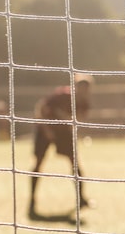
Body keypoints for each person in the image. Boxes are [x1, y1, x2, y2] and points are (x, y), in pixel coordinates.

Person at [28, 74, 93, 218]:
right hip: (45, 129)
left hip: (62, 132)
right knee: (38, 164)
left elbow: (76, 120)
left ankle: (81, 198)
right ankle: (32, 200)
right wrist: (47, 130)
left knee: (74, 163)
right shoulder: (63, 95)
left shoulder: (84, 104)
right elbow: (41, 108)